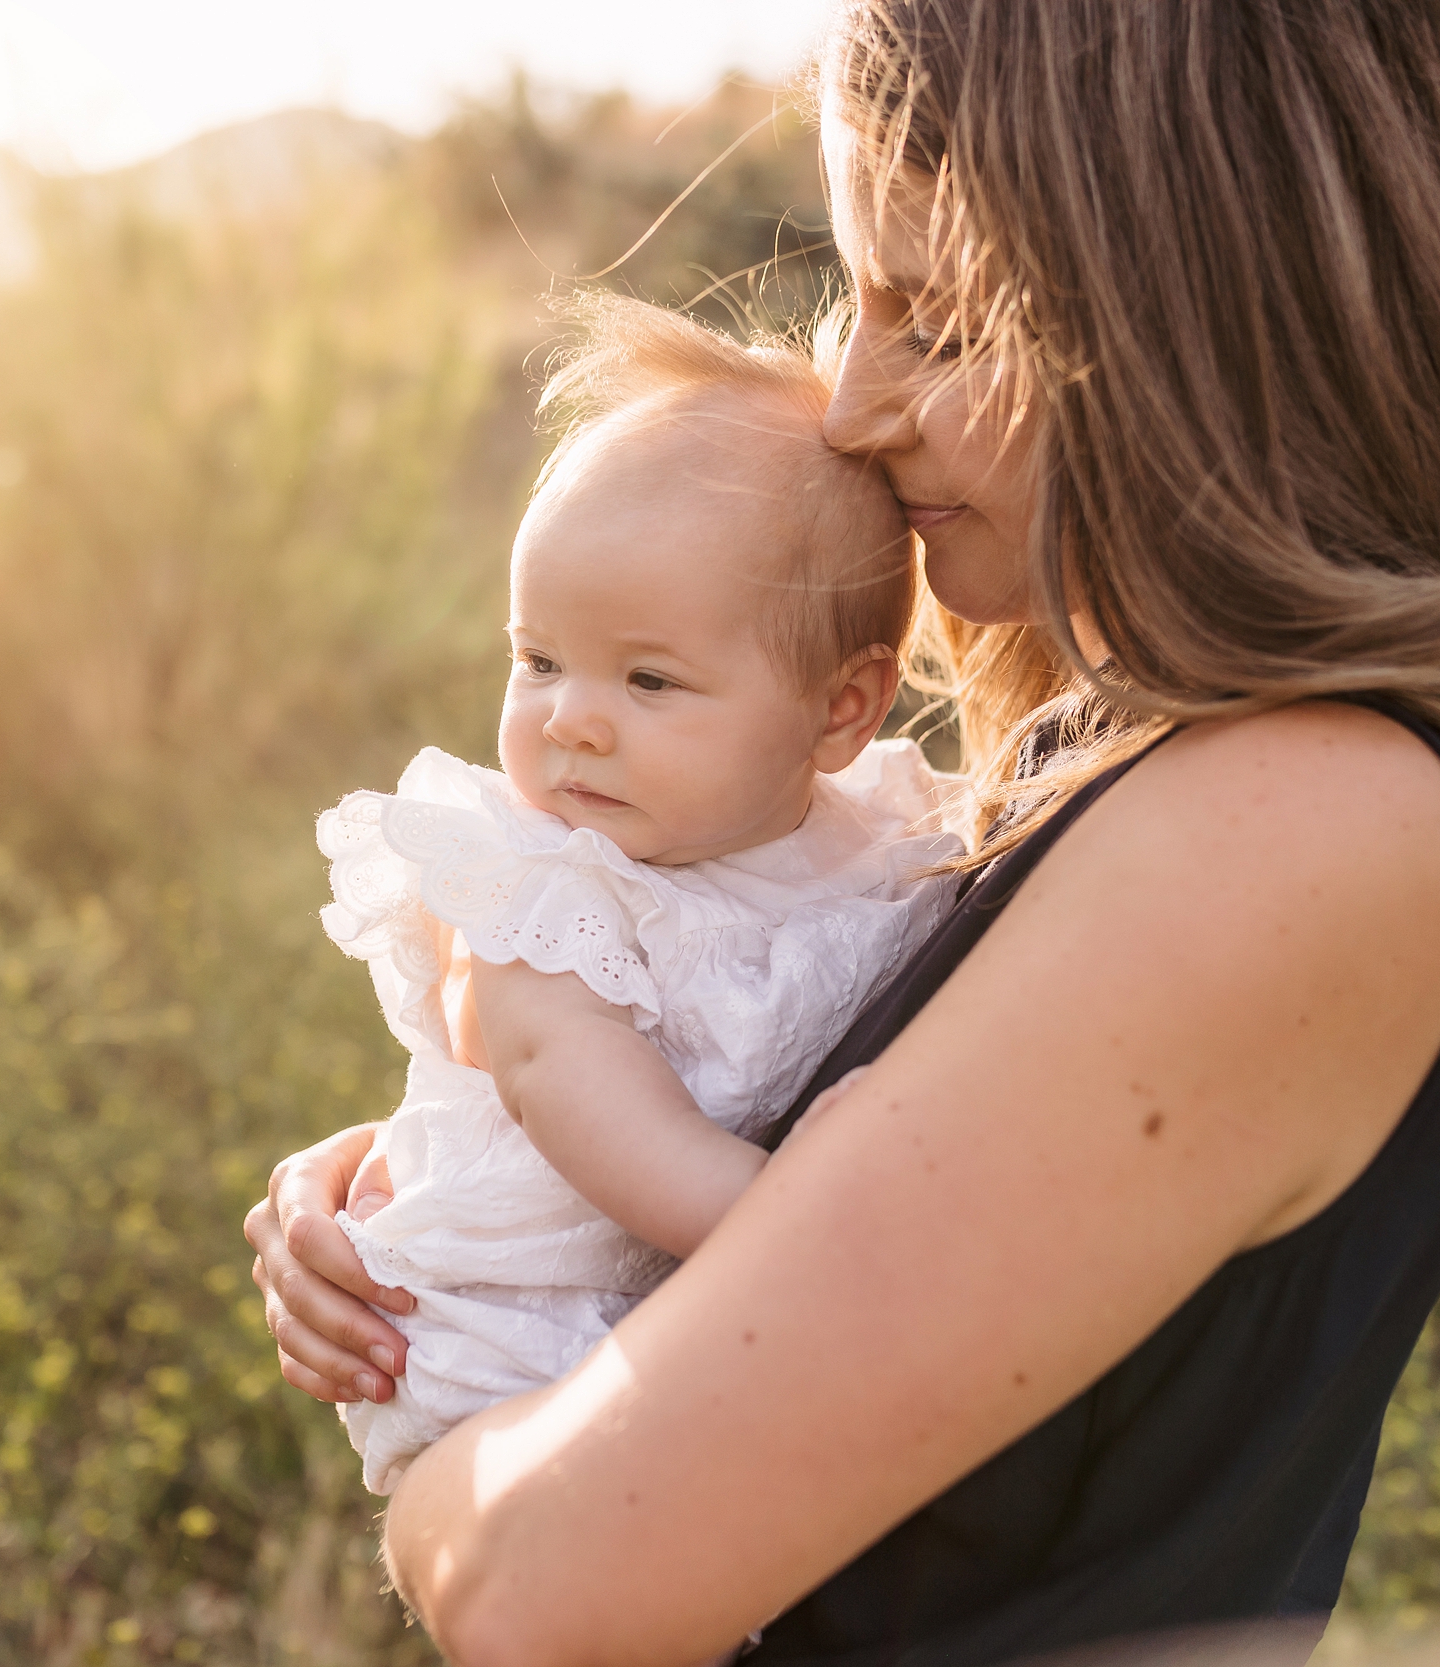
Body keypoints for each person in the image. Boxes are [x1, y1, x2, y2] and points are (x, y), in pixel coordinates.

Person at [245, 2, 1440, 1662]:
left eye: (941, 323)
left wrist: (446, 1454)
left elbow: (548, 1585)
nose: (853, 405)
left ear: (1201, 324)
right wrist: (463, 1197)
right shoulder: (1143, 767)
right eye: (857, 304)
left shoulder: (1304, 814)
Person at [314, 297, 960, 1494]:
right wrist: (791, 1221)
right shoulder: (542, 886)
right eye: (538, 659)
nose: (571, 719)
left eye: (649, 677)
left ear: (841, 710)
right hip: (532, 1331)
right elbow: (580, 1095)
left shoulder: (884, 831)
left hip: (710, 1314)